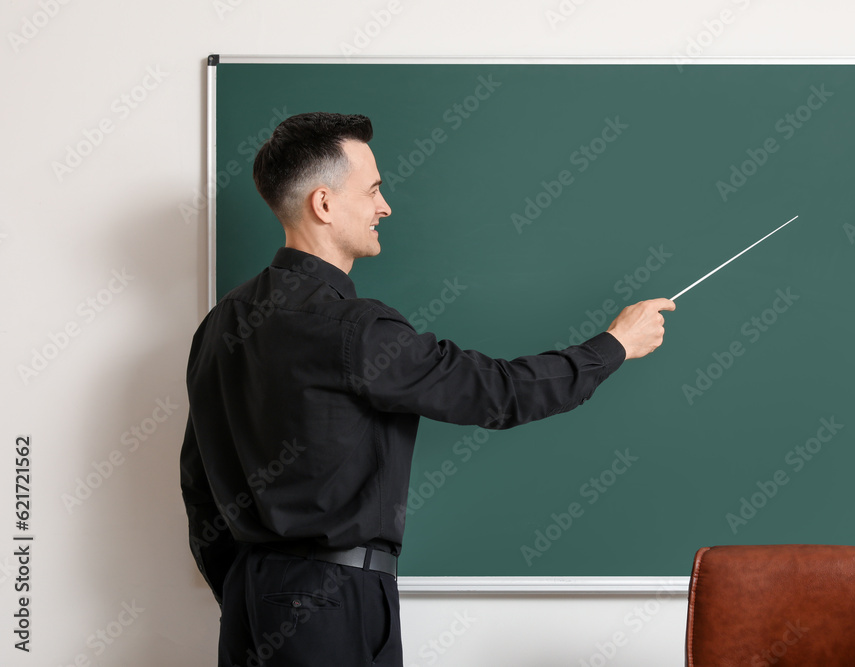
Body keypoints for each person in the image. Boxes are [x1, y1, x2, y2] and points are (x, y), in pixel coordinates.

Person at [180, 112, 675, 667]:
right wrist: (613, 345)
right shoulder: (355, 329)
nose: (384, 206)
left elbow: (199, 486)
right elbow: (496, 392)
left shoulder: (219, 324)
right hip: (334, 600)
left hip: (251, 600)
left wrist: (251, 590)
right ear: (324, 204)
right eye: (373, 189)